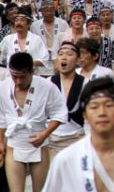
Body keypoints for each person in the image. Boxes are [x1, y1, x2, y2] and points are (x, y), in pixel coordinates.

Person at [0, 52, 67, 192]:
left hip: (39, 142)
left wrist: (45, 133)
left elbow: (60, 113)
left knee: (40, 189)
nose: (18, 81)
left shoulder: (47, 86)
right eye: (15, 77)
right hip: (14, 143)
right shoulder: (3, 87)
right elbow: (1, 119)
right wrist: (0, 142)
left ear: (32, 72)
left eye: (22, 77)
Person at [47, 41, 86, 161]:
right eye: (61, 54)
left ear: (78, 60)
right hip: (51, 140)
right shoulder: (47, 82)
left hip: (77, 137)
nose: (64, 57)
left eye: (69, 54)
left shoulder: (86, 83)